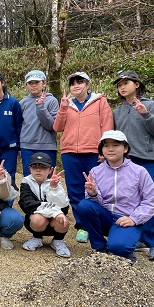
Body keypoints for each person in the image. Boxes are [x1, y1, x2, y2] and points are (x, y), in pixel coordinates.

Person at [76, 130, 154, 263]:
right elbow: (92, 205)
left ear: (125, 148)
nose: (110, 149)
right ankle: (100, 248)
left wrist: (134, 219)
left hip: (126, 219)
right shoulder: (96, 172)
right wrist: (93, 194)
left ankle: (123, 246)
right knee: (84, 205)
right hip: (106, 216)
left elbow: (150, 202)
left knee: (118, 248)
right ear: (102, 149)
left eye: (116, 145)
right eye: (106, 145)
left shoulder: (139, 171)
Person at [52, 71, 113, 243]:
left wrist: (104, 151)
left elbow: (107, 126)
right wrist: (63, 107)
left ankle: (99, 223)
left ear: (87, 84)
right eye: (72, 83)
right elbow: (57, 127)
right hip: (70, 152)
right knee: (75, 190)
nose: (76, 86)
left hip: (93, 151)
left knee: (96, 189)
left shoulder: (100, 101)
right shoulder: (67, 104)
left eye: (80, 82)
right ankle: (83, 226)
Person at [113, 70, 154, 261]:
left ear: (136, 84)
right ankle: (137, 239)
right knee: (128, 200)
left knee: (147, 200)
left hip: (145, 159)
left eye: (126, 83)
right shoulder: (117, 111)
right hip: (124, 161)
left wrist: (145, 114)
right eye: (119, 85)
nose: (122, 87)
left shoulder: (150, 105)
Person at [18, 152, 70, 257]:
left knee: (63, 219)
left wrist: (54, 188)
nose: (38, 170)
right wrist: (54, 211)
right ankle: (37, 237)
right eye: (34, 166)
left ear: (50, 170)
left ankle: (58, 241)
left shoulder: (56, 182)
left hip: (54, 222)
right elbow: (26, 204)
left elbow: (64, 208)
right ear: (30, 169)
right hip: (36, 221)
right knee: (37, 219)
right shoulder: (26, 182)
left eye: (43, 167)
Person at [19, 70, 59, 175]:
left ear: (44, 83)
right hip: (27, 146)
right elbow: (18, 126)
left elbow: (51, 126)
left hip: (47, 146)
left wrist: (41, 107)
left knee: (48, 179)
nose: (33, 85)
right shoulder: (22, 103)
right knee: (28, 179)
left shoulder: (51, 101)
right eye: (30, 83)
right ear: (26, 85)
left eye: (37, 82)